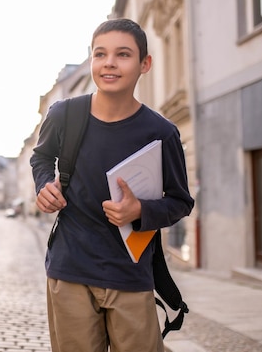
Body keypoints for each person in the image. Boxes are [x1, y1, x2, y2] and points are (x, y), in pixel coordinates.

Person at [30, 18, 194, 352]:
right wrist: (44, 185)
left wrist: (140, 210)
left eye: (123, 54)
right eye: (100, 54)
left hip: (130, 273)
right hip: (70, 267)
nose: (109, 63)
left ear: (144, 64)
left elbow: (180, 201)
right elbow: (41, 158)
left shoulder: (161, 132)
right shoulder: (65, 114)